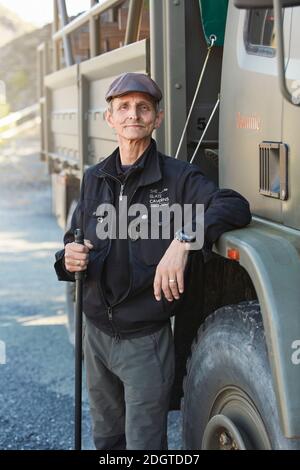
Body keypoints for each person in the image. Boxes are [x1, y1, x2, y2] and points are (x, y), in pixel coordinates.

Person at [54, 72, 251, 450]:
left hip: (144, 342)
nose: (133, 115)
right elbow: (73, 241)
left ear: (156, 118)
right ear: (109, 118)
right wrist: (68, 258)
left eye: (143, 108)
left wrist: (183, 240)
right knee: (107, 440)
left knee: (144, 445)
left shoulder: (178, 178)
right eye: (123, 107)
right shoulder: (94, 178)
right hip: (95, 334)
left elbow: (233, 205)